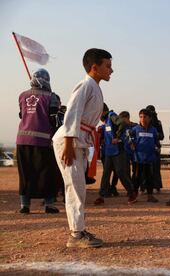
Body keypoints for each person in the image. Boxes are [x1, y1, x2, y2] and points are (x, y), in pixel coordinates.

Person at [53, 48, 113, 248]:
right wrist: (69, 145)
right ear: (95, 67)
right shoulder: (85, 85)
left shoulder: (95, 87)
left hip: (80, 140)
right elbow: (72, 113)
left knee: (79, 187)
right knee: (74, 187)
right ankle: (76, 235)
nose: (111, 70)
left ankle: (78, 229)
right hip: (69, 141)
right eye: (108, 66)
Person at [16, 68, 60, 214]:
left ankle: (25, 205)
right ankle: (49, 205)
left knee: (25, 173)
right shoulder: (51, 97)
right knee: (47, 173)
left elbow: (22, 114)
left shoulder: (22, 95)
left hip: (22, 140)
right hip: (43, 141)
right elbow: (54, 119)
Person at [94, 104, 137, 205]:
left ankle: (132, 194)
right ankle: (101, 196)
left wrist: (117, 137)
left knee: (120, 172)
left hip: (118, 150)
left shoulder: (112, 115)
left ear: (103, 111)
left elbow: (122, 123)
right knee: (106, 174)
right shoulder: (106, 121)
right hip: (109, 151)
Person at [133, 108, 159, 202]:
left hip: (150, 158)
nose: (143, 119)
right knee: (136, 178)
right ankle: (133, 196)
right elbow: (129, 143)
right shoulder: (135, 129)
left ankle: (150, 196)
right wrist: (131, 146)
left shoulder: (153, 130)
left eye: (145, 117)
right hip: (138, 159)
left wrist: (156, 149)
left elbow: (157, 142)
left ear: (150, 118)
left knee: (149, 178)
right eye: (141, 117)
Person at [146, 105, 164, 193]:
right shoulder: (144, 123)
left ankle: (156, 187)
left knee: (156, 168)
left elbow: (162, 136)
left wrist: (155, 134)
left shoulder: (158, 123)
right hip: (146, 148)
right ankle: (146, 187)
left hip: (155, 148)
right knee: (147, 168)